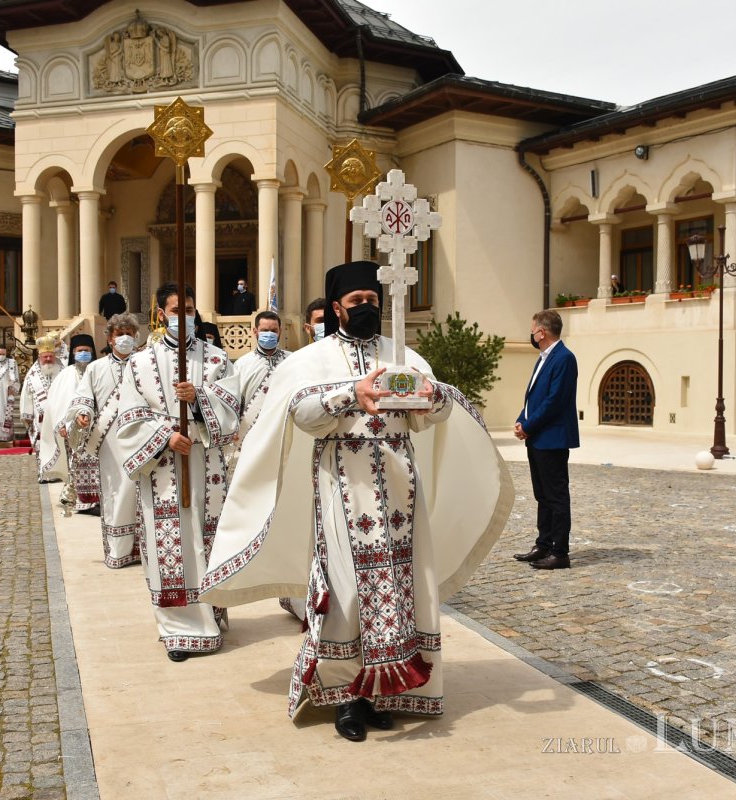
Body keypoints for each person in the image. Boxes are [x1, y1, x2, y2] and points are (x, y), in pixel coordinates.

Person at [201, 260, 512, 742]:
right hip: (342, 489)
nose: (366, 307)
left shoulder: (402, 353)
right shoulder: (310, 358)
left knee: (402, 589)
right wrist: (351, 393)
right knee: (345, 594)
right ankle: (346, 695)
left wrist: (432, 396)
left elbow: (435, 411)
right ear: (336, 308)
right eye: (356, 301)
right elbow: (301, 414)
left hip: (401, 493)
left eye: (372, 300)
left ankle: (382, 691)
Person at [110, 283, 239, 661]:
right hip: (163, 469)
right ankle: (180, 628)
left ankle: (213, 612)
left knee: (208, 539)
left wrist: (198, 400)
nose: (184, 316)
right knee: (171, 545)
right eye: (176, 310)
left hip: (207, 466)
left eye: (189, 310)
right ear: (160, 314)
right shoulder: (139, 363)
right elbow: (129, 417)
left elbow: (232, 408)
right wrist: (166, 436)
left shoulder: (217, 359)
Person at [68, 313, 142, 561]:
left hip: (141, 437)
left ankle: (144, 550)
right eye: (120, 334)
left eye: (129, 334)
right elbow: (84, 397)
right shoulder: (95, 368)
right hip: (109, 442)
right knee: (115, 492)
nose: (125, 338)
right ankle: (119, 550)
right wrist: (83, 413)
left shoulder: (144, 365)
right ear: (110, 339)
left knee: (142, 493)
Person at [513, 309, 580, 570]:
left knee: (556, 496)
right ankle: (543, 544)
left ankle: (560, 552)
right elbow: (534, 397)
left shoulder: (564, 358)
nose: (531, 334)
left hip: (552, 438)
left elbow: (554, 401)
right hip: (538, 437)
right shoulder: (543, 358)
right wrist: (522, 420)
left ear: (541, 332)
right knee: (542, 494)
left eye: (533, 330)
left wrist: (528, 426)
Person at [41, 333, 97, 499]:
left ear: (92, 352)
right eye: (80, 350)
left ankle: (95, 500)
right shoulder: (66, 374)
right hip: (73, 428)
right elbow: (57, 402)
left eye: (87, 350)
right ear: (73, 352)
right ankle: (79, 499)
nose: (83, 354)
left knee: (96, 465)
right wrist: (62, 424)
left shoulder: (98, 370)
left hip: (97, 427)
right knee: (76, 464)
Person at [234, 310, 289, 444]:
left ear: (280, 331)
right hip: (251, 431)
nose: (270, 334)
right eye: (264, 330)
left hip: (284, 428)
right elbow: (234, 399)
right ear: (255, 331)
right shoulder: (242, 364)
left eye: (274, 331)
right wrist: (233, 427)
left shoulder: (291, 360)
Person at [20, 334, 66, 479]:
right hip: (41, 419)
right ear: (40, 356)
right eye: (45, 356)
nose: (48, 359)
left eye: (50, 356)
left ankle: (59, 473)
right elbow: (26, 395)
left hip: (60, 417)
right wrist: (27, 416)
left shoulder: (63, 370)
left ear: (54, 355)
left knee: (59, 445)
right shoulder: (32, 374)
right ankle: (44, 474)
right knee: (43, 445)